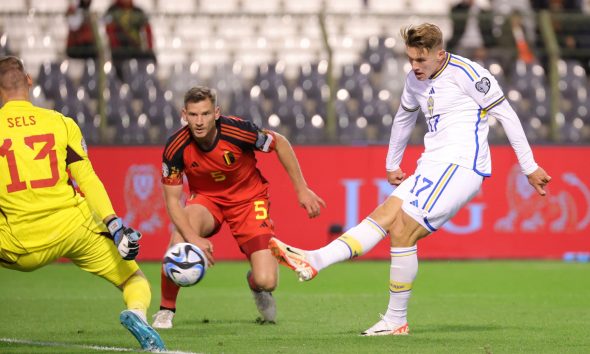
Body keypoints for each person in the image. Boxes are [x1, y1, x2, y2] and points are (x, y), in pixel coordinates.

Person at [269, 23, 551, 336]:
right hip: (431, 163)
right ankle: (315, 260)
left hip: (461, 165)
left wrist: (529, 166)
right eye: (410, 59)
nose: (414, 67)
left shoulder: (469, 74)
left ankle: (395, 320)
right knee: (383, 216)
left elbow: (507, 115)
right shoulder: (413, 80)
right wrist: (392, 162)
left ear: (439, 53)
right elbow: (404, 118)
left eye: (421, 60)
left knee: (403, 230)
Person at [0, 56, 165, 351]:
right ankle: (138, 313)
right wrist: (115, 225)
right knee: (134, 280)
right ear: (29, 81)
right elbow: (87, 179)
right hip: (73, 229)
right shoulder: (60, 123)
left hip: (17, 242)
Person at [151, 86, 325, 329]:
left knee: (267, 280)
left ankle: (256, 286)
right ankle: (165, 310)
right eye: (193, 115)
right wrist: (193, 238)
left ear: (217, 113)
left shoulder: (238, 131)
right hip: (206, 201)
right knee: (179, 240)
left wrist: (301, 189)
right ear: (184, 114)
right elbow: (172, 202)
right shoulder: (175, 147)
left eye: (205, 114)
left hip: (249, 200)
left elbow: (281, 143)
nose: (199, 121)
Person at [103, 0, 155, 81]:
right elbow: (109, 31)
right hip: (119, 51)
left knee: (148, 61)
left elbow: (147, 30)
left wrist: (149, 48)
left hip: (136, 50)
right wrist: (115, 48)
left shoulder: (138, 11)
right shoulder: (112, 11)